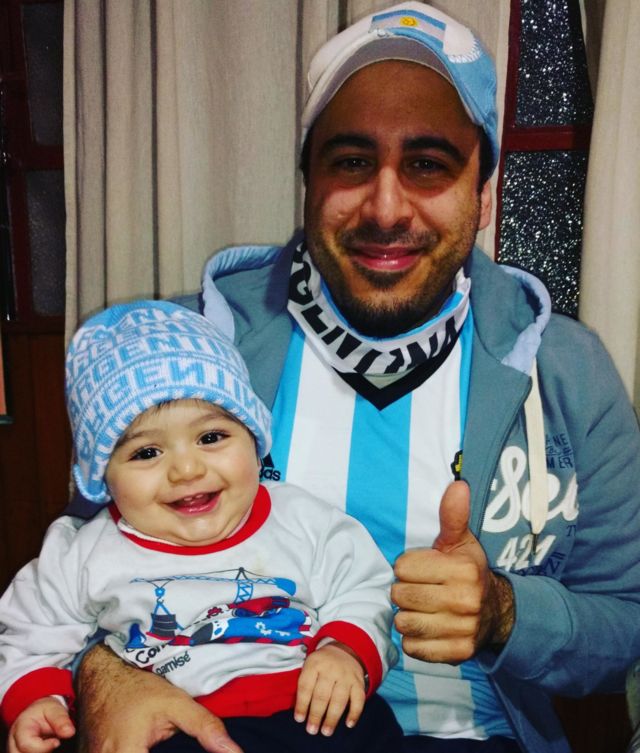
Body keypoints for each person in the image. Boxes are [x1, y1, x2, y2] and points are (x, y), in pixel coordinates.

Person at [70, 2, 640, 752]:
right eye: (351, 160)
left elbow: (624, 620)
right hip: (233, 730)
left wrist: (505, 614)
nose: (386, 207)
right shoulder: (178, 356)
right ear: (308, 178)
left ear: (484, 190)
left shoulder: (568, 372)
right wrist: (104, 674)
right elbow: (77, 576)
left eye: (429, 163)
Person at [0, 300, 401, 753]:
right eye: (146, 453)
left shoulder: (302, 518)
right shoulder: (84, 552)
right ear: (103, 477)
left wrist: (345, 649)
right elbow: (30, 632)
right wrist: (39, 699)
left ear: (254, 439)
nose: (187, 470)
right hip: (180, 727)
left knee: (372, 728)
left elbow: (364, 586)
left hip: (311, 711)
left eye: (211, 437)